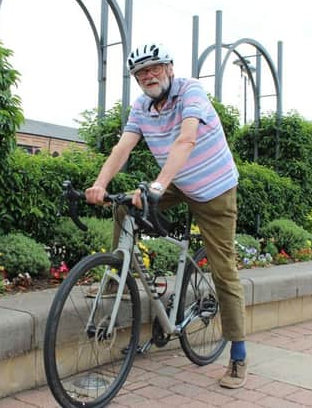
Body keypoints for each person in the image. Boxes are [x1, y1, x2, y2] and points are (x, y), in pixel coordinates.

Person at [84, 43, 248, 389]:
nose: (148, 76)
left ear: (169, 68)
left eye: (154, 68)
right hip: (175, 182)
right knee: (123, 205)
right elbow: (123, 147)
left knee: (223, 270)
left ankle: (238, 356)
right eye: (140, 72)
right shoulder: (142, 106)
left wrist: (158, 184)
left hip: (214, 188)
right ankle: (121, 278)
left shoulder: (191, 91)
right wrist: (99, 184)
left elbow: (187, 139)